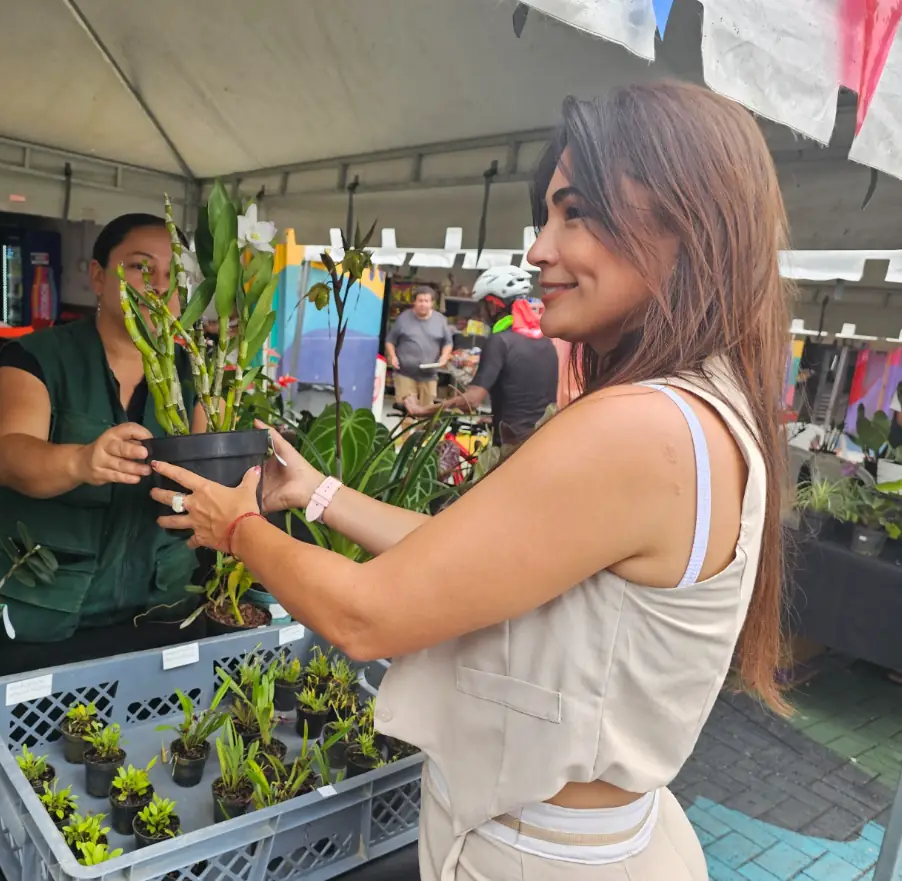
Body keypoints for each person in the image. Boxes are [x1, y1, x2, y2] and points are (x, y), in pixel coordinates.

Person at [147, 81, 790, 881]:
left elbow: (366, 616)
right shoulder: (709, 409)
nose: (537, 250)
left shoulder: (642, 427)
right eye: (546, 214)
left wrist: (235, 526)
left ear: (687, 218)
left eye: (575, 212)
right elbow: (466, 560)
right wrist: (312, 493)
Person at [0, 213, 207, 643]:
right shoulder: (36, 356)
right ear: (99, 277)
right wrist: (80, 460)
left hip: (162, 602)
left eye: (174, 273)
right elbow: (9, 456)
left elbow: (209, 475)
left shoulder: (197, 379)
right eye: (141, 267)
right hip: (47, 602)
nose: (161, 285)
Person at [405, 265, 558, 445]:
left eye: (482, 305)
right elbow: (527, 394)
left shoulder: (500, 340)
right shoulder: (545, 340)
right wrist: (493, 419)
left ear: (493, 304)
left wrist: (422, 410)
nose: (481, 313)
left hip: (511, 446)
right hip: (543, 439)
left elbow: (471, 401)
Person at [386, 287, 453, 409]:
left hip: (429, 375)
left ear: (432, 303)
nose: (423, 304)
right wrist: (393, 356)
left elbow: (448, 342)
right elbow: (390, 340)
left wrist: (444, 356)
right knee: (407, 411)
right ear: (414, 302)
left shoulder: (440, 320)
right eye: (420, 300)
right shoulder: (403, 318)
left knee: (426, 411)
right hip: (405, 373)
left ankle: (421, 428)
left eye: (426, 301)